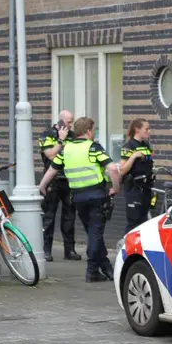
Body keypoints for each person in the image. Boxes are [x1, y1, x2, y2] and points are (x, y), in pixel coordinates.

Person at [37, 117, 121, 283]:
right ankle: (91, 271)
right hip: (97, 195)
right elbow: (112, 168)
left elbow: (52, 169)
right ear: (89, 131)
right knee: (95, 234)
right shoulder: (93, 147)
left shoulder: (66, 149)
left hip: (78, 197)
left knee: (93, 233)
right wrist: (116, 187)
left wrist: (42, 185)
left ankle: (106, 269)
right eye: (94, 130)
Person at [38, 110, 81, 262]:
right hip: (52, 182)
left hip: (69, 181)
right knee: (49, 217)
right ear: (61, 121)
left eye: (72, 121)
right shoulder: (47, 134)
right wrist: (61, 141)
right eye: (69, 122)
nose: (71, 125)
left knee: (69, 217)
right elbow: (50, 155)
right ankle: (46, 250)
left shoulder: (73, 135)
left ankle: (69, 250)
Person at [120, 118, 154, 233]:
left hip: (146, 188)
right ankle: (127, 248)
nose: (149, 131)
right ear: (137, 129)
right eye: (146, 129)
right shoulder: (129, 146)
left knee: (143, 222)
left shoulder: (146, 145)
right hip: (133, 189)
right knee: (133, 223)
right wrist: (133, 157)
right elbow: (122, 170)